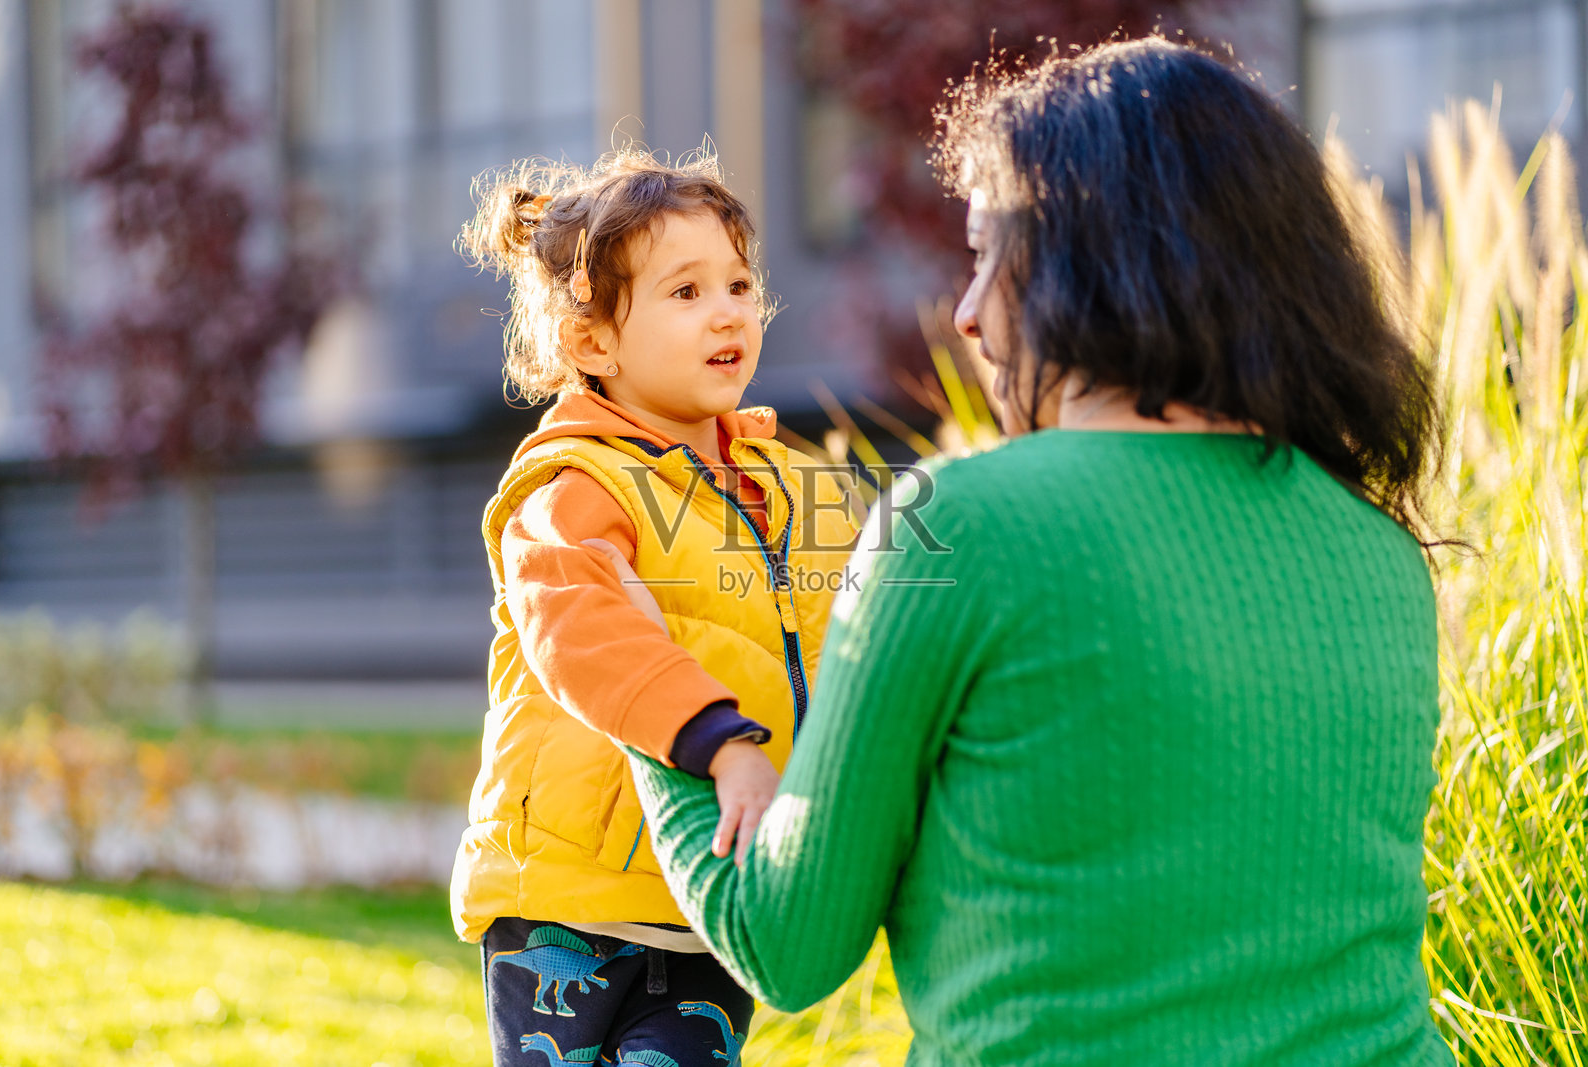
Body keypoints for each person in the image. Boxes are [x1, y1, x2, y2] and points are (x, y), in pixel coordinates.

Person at [621, 38, 1457, 1066]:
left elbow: (787, 943)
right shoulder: (1381, 547)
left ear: (1088, 258)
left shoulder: (962, 524)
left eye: (986, 254)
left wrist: (643, 695)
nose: (966, 314)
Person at [448, 149, 858, 1067]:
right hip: (572, 895)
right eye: (685, 292)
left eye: (740, 283)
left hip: (715, 891)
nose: (728, 311)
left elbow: (852, 644)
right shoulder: (575, 484)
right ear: (593, 343)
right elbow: (581, 627)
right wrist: (719, 739)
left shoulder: (792, 486)